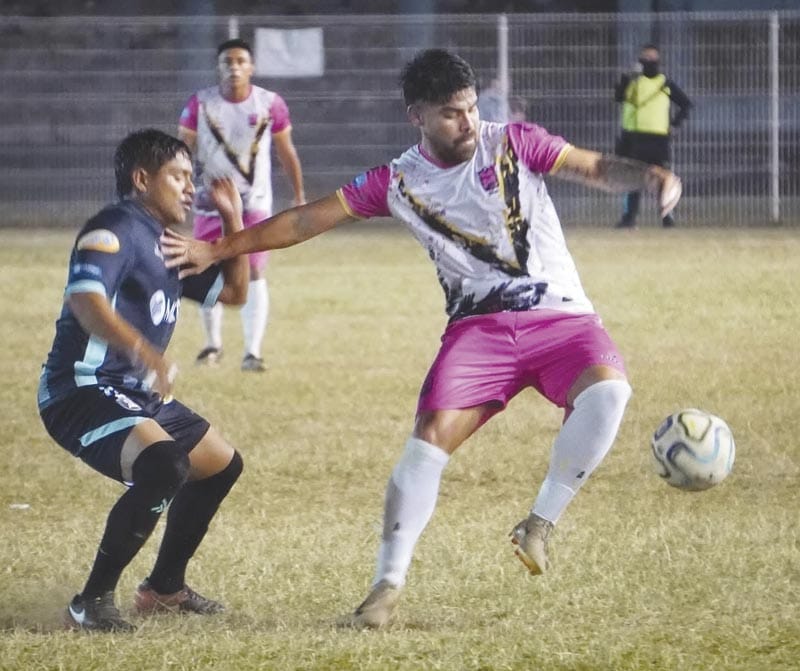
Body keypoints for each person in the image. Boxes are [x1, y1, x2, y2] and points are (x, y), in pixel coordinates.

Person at [162, 49, 682, 629]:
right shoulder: (399, 180)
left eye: (470, 108)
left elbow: (593, 167)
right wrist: (218, 248)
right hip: (478, 331)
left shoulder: (513, 141)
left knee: (610, 394)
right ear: (418, 116)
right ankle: (385, 588)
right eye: (451, 114)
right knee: (428, 442)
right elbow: (306, 220)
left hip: (563, 320)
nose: (467, 122)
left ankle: (539, 522)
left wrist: (651, 174)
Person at [37, 129, 249, 632]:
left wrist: (232, 224)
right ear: (140, 179)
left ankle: (164, 589)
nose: (188, 188)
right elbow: (85, 299)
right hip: (80, 389)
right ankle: (89, 602)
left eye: (191, 178)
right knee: (164, 464)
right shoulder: (114, 228)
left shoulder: (169, 243)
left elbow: (237, 293)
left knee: (220, 466)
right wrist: (145, 352)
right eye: (178, 176)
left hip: (129, 392)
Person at [178, 37, 306, 372]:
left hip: (254, 202)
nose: (234, 67)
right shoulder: (200, 104)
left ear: (251, 66)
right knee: (207, 267)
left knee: (253, 270)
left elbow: (286, 151)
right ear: (219, 67)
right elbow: (182, 151)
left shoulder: (269, 103)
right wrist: (180, 189)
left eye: (240, 61)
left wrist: (298, 193)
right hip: (210, 201)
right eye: (227, 62)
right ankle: (212, 344)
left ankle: (252, 351)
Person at [614, 44, 691, 228]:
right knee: (633, 179)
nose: (648, 63)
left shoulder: (665, 83)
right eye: (645, 59)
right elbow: (619, 97)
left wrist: (674, 124)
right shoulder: (633, 82)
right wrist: (626, 78)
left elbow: (686, 104)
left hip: (659, 139)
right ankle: (629, 218)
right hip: (636, 138)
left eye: (652, 59)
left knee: (662, 179)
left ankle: (667, 216)